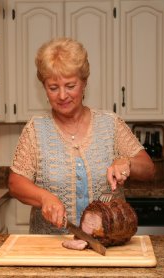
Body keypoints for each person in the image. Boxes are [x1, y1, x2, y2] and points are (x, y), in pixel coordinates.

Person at [8, 37, 155, 234]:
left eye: (70, 86)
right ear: (44, 87)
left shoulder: (109, 124)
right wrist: (44, 197)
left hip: (108, 243)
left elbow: (148, 168)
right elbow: (15, 183)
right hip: (50, 247)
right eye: (53, 87)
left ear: (84, 83)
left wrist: (127, 162)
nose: (62, 95)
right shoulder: (36, 129)